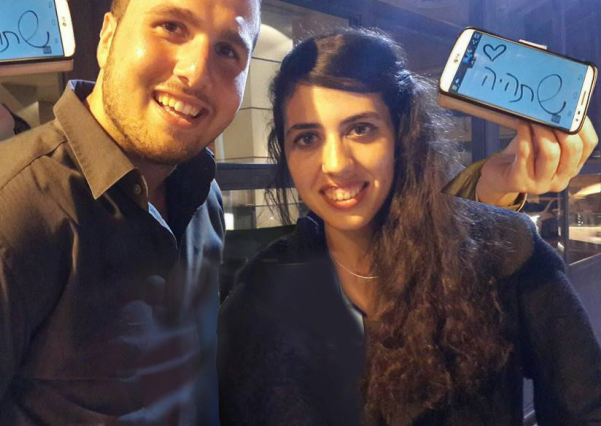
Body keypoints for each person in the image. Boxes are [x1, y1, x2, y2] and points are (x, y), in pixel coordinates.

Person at [217, 28, 601, 426]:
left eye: (360, 129)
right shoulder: (260, 296)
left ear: (401, 134)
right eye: (307, 138)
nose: (335, 164)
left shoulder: (505, 252)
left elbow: (585, 408)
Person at [0, 0, 260, 424]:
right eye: (170, 26)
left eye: (227, 50)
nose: (196, 72)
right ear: (107, 38)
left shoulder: (203, 197)